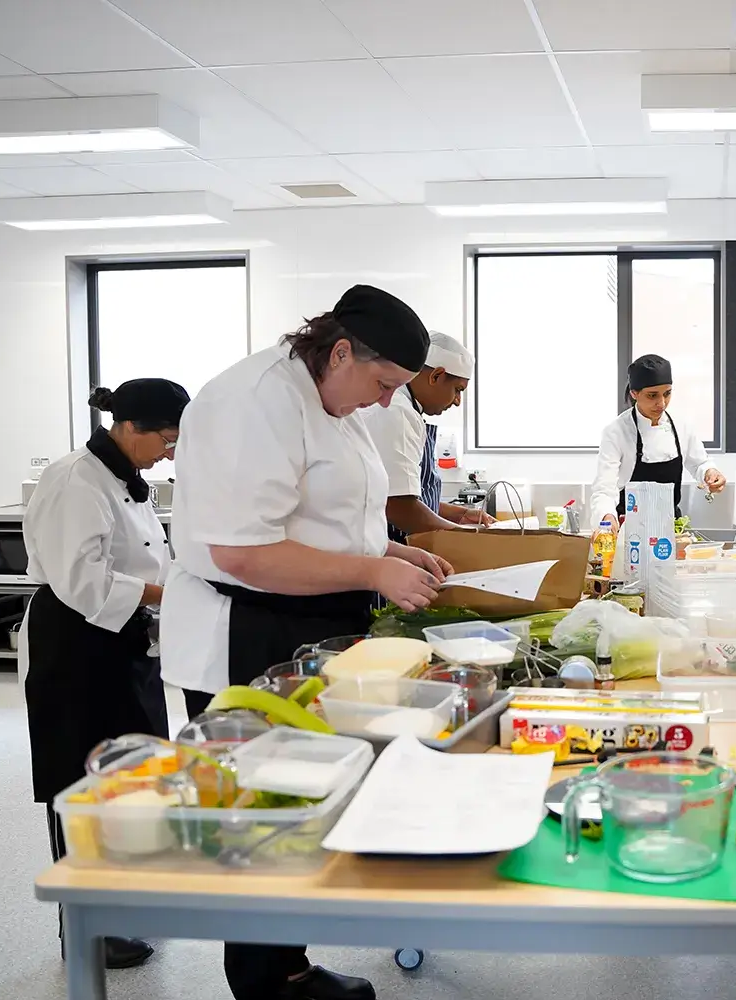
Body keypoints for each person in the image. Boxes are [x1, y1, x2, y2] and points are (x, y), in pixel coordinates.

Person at [160, 285, 452, 1000]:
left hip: (309, 616)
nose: (386, 402)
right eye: (384, 385)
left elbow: (328, 512)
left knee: (304, 795)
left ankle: (289, 964)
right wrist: (369, 568)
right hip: (249, 626)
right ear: (344, 351)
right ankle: (267, 981)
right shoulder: (253, 400)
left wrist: (393, 552)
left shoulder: (331, 395)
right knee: (261, 809)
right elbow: (242, 552)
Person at [22, 378, 189, 970]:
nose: (171, 450)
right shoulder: (75, 479)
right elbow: (82, 580)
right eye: (167, 438)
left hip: (124, 642)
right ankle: (85, 928)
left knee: (131, 774)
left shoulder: (126, 478)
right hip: (76, 645)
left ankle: (122, 904)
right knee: (79, 781)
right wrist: (168, 594)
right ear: (129, 427)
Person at [364, 331, 494, 536]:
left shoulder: (407, 410)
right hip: (391, 543)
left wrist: (459, 514)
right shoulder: (397, 412)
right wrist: (468, 537)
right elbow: (399, 506)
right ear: (436, 376)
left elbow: (410, 496)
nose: (458, 401)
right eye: (457, 389)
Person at [589, 354, 725, 525]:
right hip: (628, 528)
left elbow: (699, 463)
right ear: (634, 393)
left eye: (667, 394)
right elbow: (604, 488)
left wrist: (710, 473)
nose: (661, 403)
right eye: (652, 395)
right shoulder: (616, 432)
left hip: (669, 528)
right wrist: (607, 518)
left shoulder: (681, 425)